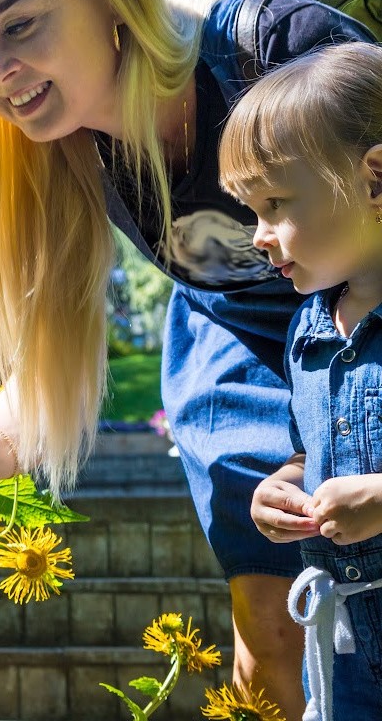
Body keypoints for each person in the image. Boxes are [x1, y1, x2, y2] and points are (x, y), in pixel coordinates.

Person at [0, 0, 373, 717]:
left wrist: (334, 428)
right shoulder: (59, 151)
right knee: (269, 638)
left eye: (19, 25)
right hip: (230, 330)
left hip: (368, 322)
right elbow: (54, 342)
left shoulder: (284, 51)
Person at [220, 42, 382, 721]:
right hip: (343, 651)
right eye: (249, 210)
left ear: (375, 180)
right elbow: (306, 447)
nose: (258, 236)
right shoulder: (308, 330)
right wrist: (279, 488)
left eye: (275, 203)